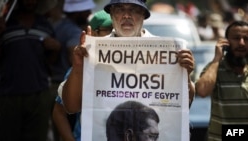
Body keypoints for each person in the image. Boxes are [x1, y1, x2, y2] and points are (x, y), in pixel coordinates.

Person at [60, 0, 195, 115]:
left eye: (133, 9)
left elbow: (183, 105)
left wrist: (185, 77)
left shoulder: (168, 53)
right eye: (120, 9)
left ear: (143, 15)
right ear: (112, 14)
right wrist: (78, 66)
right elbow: (71, 107)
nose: (126, 15)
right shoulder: (92, 51)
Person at [0, 0, 61, 141]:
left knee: (37, 136)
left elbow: (50, 61)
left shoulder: (45, 25)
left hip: (39, 93)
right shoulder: (5, 23)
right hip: (9, 94)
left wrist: (56, 49)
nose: (30, 1)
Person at [52, 9, 113, 141]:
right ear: (94, 34)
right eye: (109, 29)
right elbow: (59, 112)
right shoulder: (81, 69)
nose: (114, 34)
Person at [195, 21, 248, 141]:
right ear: (226, 42)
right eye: (236, 38)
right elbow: (202, 91)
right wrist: (217, 58)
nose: (241, 43)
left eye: (246, 39)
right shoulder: (215, 68)